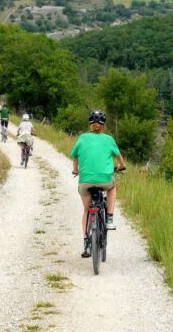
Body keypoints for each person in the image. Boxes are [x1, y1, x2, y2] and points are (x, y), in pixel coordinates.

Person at [70, 110, 126, 258]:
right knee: (112, 187)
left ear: (90, 124)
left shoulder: (82, 138)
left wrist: (75, 171)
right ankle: (109, 218)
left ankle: (85, 242)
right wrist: (121, 166)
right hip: (105, 180)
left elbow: (75, 157)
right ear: (103, 126)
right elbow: (120, 159)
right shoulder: (109, 139)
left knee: (87, 210)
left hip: (85, 181)